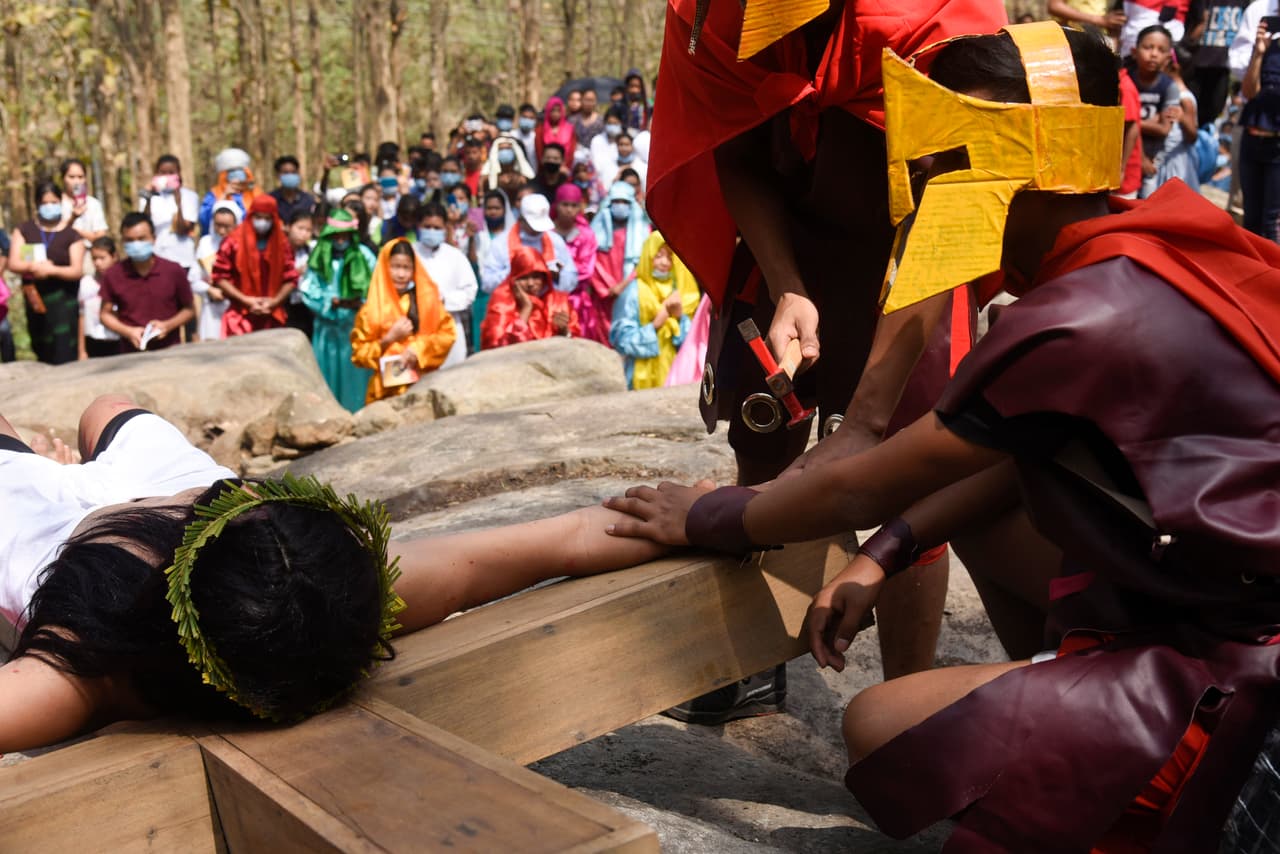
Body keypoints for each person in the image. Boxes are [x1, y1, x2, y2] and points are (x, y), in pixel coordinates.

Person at [608, 23, 1280, 850]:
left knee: (879, 725)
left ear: (1038, 160)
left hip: (1238, 667)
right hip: (1210, 592)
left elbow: (866, 479)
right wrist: (885, 551)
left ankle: (1128, 760)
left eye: (950, 151)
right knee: (991, 516)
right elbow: (1024, 456)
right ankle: (1067, 686)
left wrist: (706, 516)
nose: (920, 175)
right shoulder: (1158, 239)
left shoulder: (1078, 319)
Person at [646, 0, 1009, 717]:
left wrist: (869, 418)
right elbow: (735, 151)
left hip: (912, 246)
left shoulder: (932, 16)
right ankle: (758, 659)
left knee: (912, 474)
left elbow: (950, 195)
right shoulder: (708, 15)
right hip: (786, 237)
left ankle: (903, 702)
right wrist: (787, 287)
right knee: (764, 441)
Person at [0, 392, 669, 755]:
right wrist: (693, 519)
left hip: (39, 521)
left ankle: (35, 460)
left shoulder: (82, 667)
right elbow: (563, 539)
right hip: (189, 496)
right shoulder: (329, 596)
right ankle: (71, 463)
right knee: (106, 408)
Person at [351, 239, 457, 403]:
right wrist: (387, 340)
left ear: (414, 270)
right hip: (384, 395)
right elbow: (359, 354)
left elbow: (447, 335)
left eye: (406, 268)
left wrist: (418, 349)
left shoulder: (427, 302)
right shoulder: (370, 310)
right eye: (395, 267)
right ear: (384, 267)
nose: (401, 274)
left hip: (422, 389)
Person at [300, 209, 375, 412]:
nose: (341, 240)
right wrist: (329, 303)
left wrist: (359, 303)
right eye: (336, 236)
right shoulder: (319, 257)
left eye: (345, 236)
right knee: (326, 375)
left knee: (355, 378)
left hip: (356, 327)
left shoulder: (364, 256)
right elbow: (308, 289)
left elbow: (375, 288)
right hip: (326, 329)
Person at [609, 232, 702, 389]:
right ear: (648, 257)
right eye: (658, 256)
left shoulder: (680, 292)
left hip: (675, 372)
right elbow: (620, 340)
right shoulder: (633, 292)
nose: (664, 262)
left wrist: (680, 318)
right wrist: (654, 326)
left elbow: (693, 341)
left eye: (670, 257)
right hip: (640, 376)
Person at [8, 181, 87, 364]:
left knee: (63, 347)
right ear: (37, 204)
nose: (49, 207)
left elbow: (76, 270)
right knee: (41, 345)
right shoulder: (25, 230)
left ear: (60, 202)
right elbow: (14, 262)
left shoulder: (72, 234)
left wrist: (52, 270)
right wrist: (33, 267)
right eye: (44, 203)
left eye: (53, 202)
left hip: (63, 300)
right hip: (35, 297)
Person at [98, 213, 195, 353]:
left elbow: (189, 310)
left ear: (153, 238)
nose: (136, 244)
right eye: (130, 240)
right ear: (123, 242)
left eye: (141, 239)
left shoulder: (173, 271)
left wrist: (167, 326)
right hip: (130, 353)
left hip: (171, 351)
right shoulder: (114, 274)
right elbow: (105, 314)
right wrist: (128, 331)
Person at [211, 195, 298, 337]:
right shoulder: (233, 242)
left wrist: (274, 301)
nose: (262, 222)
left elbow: (291, 277)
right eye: (258, 217)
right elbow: (220, 277)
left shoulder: (282, 244)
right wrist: (245, 300)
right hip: (240, 318)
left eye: (267, 218)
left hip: (272, 317)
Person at [1131, 25, 1198, 197]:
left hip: (1157, 160)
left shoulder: (1173, 90)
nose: (1154, 54)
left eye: (1161, 50)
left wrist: (1131, 122)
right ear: (1134, 51)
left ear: (1168, 59)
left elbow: (1164, 129)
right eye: (1148, 47)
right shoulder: (1127, 82)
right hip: (1130, 157)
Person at [1232, 4, 1280, 239]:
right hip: (1251, 140)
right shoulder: (1267, 46)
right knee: (1250, 219)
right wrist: (1259, 53)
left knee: (1270, 222)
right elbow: (1249, 92)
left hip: (1277, 148)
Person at [584, 182, 650, 345]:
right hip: (603, 295)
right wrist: (605, 288)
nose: (620, 205)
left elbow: (643, 263)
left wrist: (623, 286)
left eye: (624, 202)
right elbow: (592, 262)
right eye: (616, 201)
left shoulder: (643, 231)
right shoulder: (596, 231)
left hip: (630, 292)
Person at [413, 202, 478, 367]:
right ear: (419, 226)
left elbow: (470, 290)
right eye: (427, 226)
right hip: (416, 326)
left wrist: (443, 300)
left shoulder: (454, 256)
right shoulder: (410, 253)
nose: (432, 231)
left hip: (449, 325)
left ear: (445, 228)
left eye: (437, 227)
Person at [481, 246, 580, 348]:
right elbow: (498, 347)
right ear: (514, 280)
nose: (530, 284)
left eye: (536, 277)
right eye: (523, 278)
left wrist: (564, 331)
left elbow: (577, 346)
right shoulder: (501, 303)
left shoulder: (559, 302)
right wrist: (526, 309)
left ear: (544, 277)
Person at [480, 194, 579, 296]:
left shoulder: (555, 240)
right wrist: (515, 271)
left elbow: (572, 278)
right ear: (521, 219)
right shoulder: (501, 243)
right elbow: (487, 284)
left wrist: (557, 276)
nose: (537, 231)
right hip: (512, 302)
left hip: (548, 302)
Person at [191, 201, 242, 341]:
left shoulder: (243, 245)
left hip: (237, 309)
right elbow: (193, 279)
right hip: (211, 310)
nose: (222, 231)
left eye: (227, 226)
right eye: (218, 225)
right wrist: (209, 290)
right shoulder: (205, 244)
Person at [140, 155, 202, 248]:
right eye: (163, 173)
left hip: (182, 250)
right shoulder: (149, 196)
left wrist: (179, 204)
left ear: (178, 173)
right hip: (156, 249)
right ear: (156, 174)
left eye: (171, 173)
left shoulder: (190, 196)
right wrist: (148, 198)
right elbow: (144, 225)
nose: (167, 176)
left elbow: (183, 229)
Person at [77, 237, 121, 359]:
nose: (97, 263)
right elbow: (82, 316)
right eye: (94, 258)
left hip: (118, 341)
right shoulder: (86, 283)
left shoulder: (123, 282)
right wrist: (82, 350)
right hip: (93, 342)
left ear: (114, 257)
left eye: (102, 258)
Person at [199, 148, 258, 235]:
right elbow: (205, 220)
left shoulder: (254, 193)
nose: (237, 175)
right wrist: (224, 195)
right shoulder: (213, 194)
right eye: (232, 171)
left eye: (240, 170)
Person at [58, 159, 108, 242]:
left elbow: (100, 236)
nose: (77, 181)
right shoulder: (56, 203)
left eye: (80, 177)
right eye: (71, 177)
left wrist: (75, 230)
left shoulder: (93, 204)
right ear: (62, 178)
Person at [285, 209, 315, 338]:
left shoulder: (310, 251)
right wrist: (296, 272)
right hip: (285, 305)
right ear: (288, 227)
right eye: (300, 228)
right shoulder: (280, 250)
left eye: (308, 230)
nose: (303, 234)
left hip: (304, 306)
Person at [270, 155, 317, 225]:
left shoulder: (308, 200)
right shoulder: (270, 200)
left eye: (293, 172)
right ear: (278, 174)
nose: (290, 175)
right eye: (286, 172)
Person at [535, 96, 576, 164]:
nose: (555, 114)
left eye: (558, 111)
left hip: (565, 167)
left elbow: (571, 152)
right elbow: (539, 152)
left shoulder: (570, 129)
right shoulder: (540, 130)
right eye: (553, 110)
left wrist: (565, 166)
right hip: (546, 166)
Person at [590, 107, 627, 182]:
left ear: (621, 123)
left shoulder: (626, 142)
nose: (612, 126)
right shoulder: (597, 140)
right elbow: (595, 164)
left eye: (615, 123)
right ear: (605, 123)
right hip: (600, 182)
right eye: (609, 123)